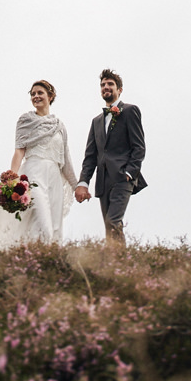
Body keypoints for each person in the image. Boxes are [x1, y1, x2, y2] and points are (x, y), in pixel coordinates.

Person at [0, 80, 78, 255]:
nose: (36, 96)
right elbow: (19, 152)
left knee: (55, 227)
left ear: (50, 96)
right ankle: (33, 259)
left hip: (55, 179)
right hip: (33, 175)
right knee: (42, 222)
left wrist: (78, 186)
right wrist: (12, 180)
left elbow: (66, 161)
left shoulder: (60, 126)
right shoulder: (25, 121)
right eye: (33, 94)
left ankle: (44, 264)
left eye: (40, 93)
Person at [76, 68, 147, 247]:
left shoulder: (130, 111)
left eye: (110, 84)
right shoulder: (96, 121)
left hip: (123, 177)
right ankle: (117, 265)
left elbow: (139, 147)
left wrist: (130, 172)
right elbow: (90, 156)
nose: (105, 87)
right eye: (102, 85)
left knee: (113, 221)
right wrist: (83, 182)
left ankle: (118, 263)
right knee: (110, 227)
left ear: (119, 89)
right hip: (103, 181)